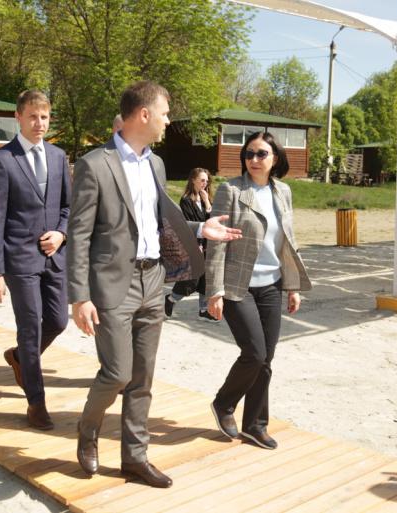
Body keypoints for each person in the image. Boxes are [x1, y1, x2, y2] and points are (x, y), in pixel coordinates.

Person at [67, 80, 241, 488]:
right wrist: (79, 296)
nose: (167, 120)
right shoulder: (95, 164)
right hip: (113, 285)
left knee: (143, 377)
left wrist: (199, 230)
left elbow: (160, 222)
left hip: (153, 280)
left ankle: (135, 457)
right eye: (164, 113)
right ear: (143, 114)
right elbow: (78, 235)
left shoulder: (156, 165)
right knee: (117, 373)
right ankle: (88, 429)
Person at [206, 131, 311, 450]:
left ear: (275, 158)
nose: (253, 159)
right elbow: (216, 243)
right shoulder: (230, 191)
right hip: (238, 286)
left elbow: (287, 241)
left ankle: (255, 425)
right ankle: (224, 403)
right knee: (254, 353)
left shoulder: (284, 191)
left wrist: (292, 286)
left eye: (261, 154)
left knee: (267, 359)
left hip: (272, 285)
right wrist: (214, 291)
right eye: (249, 154)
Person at [0, 90, 72, 431]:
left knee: (58, 321)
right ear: (18, 117)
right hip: (19, 259)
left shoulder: (58, 156)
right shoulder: (2, 159)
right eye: (33, 116)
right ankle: (36, 402)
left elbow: (68, 207)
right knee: (30, 326)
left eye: (45, 117)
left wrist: (61, 233)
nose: (39, 123)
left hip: (54, 256)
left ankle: (20, 357)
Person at [164, 167, 217, 321]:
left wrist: (207, 202)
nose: (205, 183)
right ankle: (171, 299)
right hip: (193, 245)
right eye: (202, 180)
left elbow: (212, 222)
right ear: (193, 180)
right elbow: (189, 225)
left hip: (208, 244)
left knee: (206, 278)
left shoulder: (207, 199)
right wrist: (197, 244)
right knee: (191, 279)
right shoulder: (186, 200)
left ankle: (203, 310)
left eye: (207, 181)